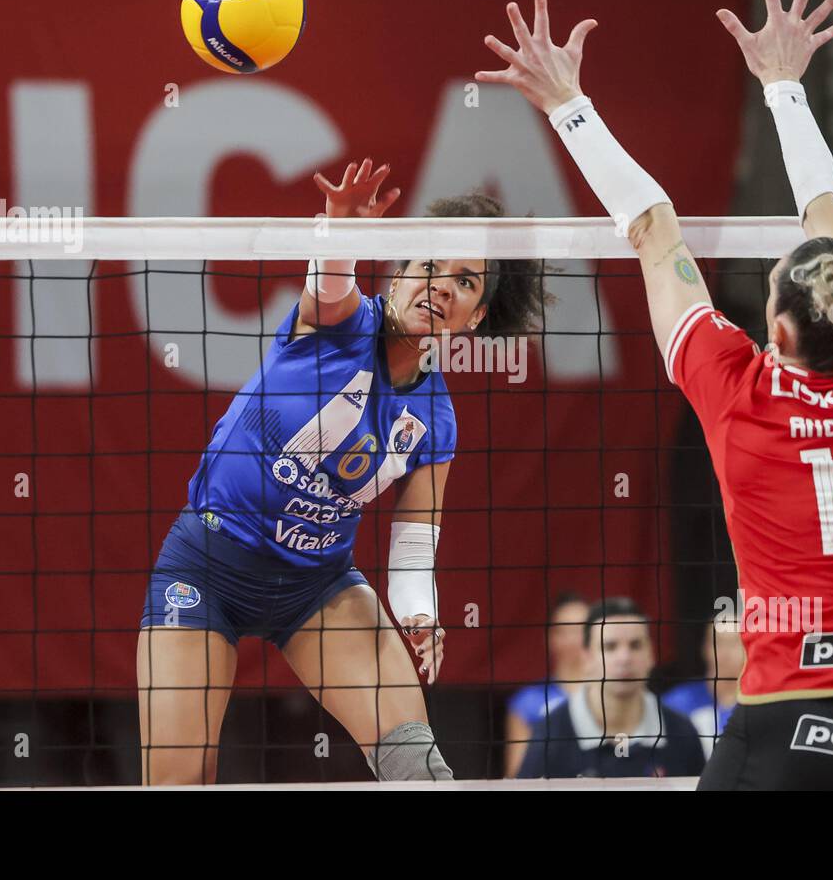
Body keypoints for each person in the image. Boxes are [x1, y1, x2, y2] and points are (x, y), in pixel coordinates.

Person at [479, 0, 833, 790]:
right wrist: (784, 86)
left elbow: (654, 233)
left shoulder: (741, 395)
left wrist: (568, 105)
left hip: (787, 726)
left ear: (774, 329)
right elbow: (831, 222)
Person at [137, 160, 551, 783]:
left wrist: (419, 613)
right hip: (209, 567)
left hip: (317, 588)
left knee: (420, 771)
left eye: (465, 282)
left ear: (476, 317)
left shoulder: (436, 422)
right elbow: (331, 279)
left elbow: (414, 546)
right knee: (174, 784)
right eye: (429, 266)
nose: (441, 285)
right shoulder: (338, 325)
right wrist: (338, 230)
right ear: (399, 273)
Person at [516, 598, 704, 779]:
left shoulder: (681, 732)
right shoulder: (550, 735)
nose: (624, 658)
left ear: (651, 655)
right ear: (587, 658)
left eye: (635, 645)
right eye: (610, 647)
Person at [502, 591, 591, 777]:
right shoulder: (528, 701)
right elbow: (517, 775)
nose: (576, 638)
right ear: (551, 638)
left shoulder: (615, 696)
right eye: (567, 630)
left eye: (583, 629)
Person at [662, 623, 745, 760]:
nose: (725, 652)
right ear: (705, 649)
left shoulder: (761, 705)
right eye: (718, 643)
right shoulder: (677, 701)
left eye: (734, 643)